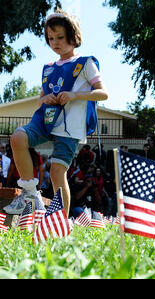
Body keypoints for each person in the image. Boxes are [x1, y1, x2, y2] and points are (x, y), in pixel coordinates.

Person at [3, 9, 108, 215]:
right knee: (17, 138)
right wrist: (45, 99)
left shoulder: (85, 63)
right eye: (50, 38)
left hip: (70, 128)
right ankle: (30, 193)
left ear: (73, 36)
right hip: (46, 121)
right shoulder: (48, 68)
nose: (55, 42)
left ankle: (59, 222)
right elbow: (40, 99)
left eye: (60, 37)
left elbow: (103, 93)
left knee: (57, 172)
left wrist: (76, 96)